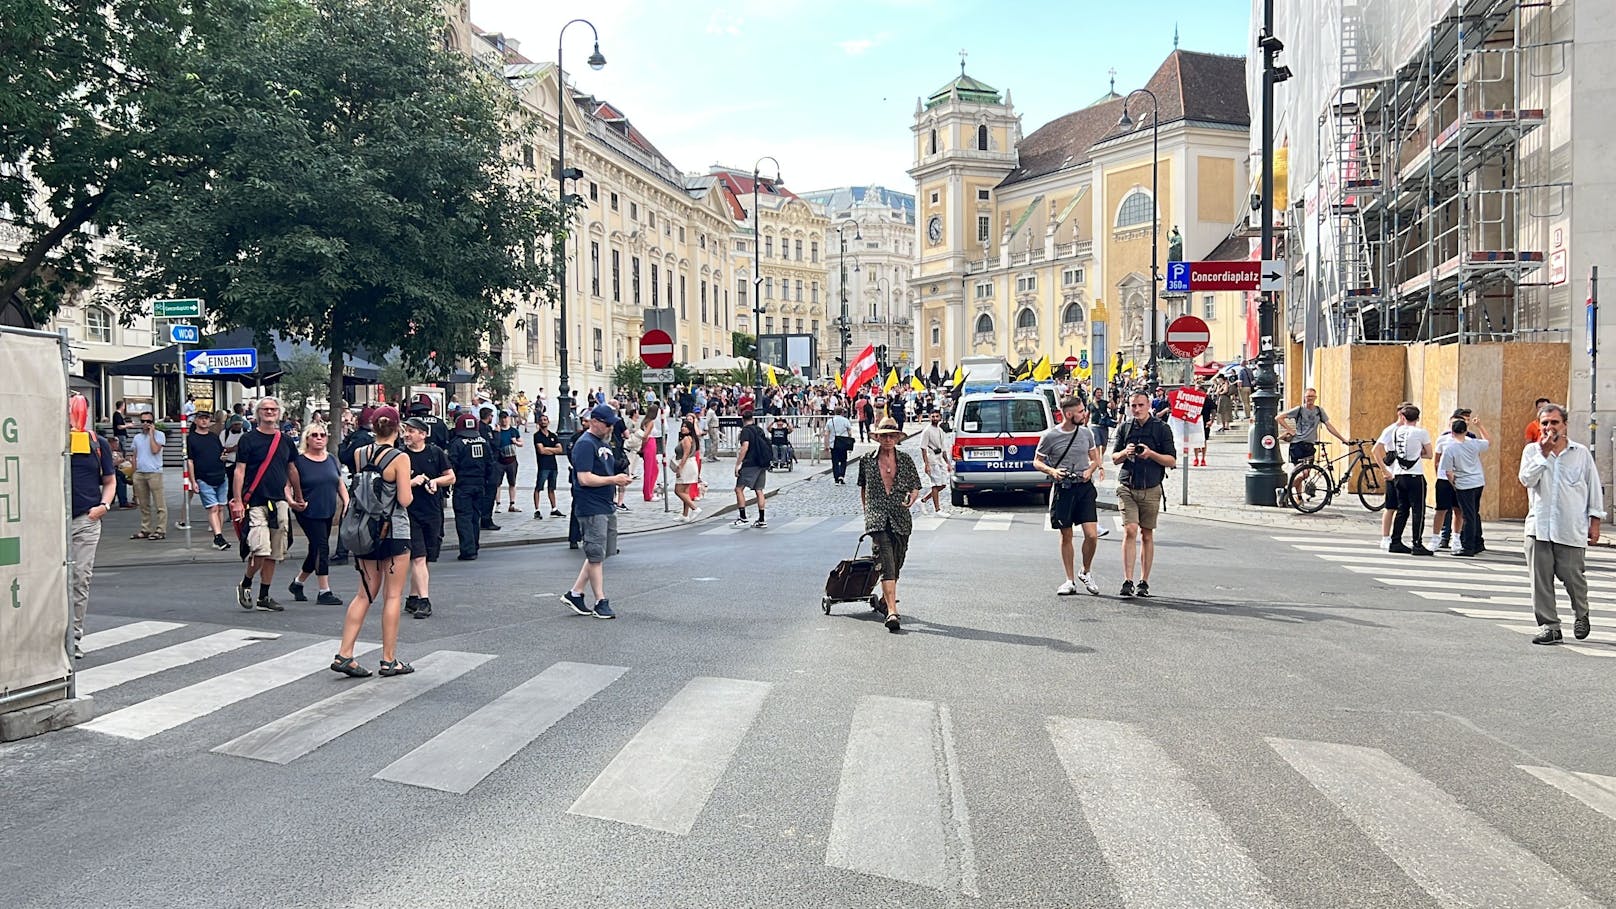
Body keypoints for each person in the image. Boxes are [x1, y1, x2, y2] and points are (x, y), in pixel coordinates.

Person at [330, 405, 416, 678]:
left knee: (364, 593)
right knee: (393, 596)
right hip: (394, 531)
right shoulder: (400, 458)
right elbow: (404, 500)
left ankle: (345, 653)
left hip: (365, 529)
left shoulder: (359, 454)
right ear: (398, 427)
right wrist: (411, 484)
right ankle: (389, 660)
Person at [1519, 403, 1605, 645]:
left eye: (1554, 422)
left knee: (1573, 577)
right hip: (1539, 527)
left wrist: (1595, 522)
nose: (1549, 427)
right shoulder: (1532, 452)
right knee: (1541, 581)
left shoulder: (1580, 454)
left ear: (1564, 425)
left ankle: (1581, 613)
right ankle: (1550, 626)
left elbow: (1593, 489)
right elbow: (1526, 479)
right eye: (1544, 423)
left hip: (1570, 527)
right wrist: (1543, 455)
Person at [231, 397, 302, 612]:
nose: (269, 412)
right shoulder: (248, 439)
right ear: (258, 413)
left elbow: (292, 469)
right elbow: (239, 470)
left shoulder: (286, 441)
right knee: (260, 548)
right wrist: (237, 501)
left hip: (278, 501)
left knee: (275, 552)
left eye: (273, 409)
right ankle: (246, 582)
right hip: (255, 501)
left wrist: (298, 496)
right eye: (265, 409)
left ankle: (264, 595)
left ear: (279, 413)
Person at [562, 404, 630, 620]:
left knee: (601, 552)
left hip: (604, 503)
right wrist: (614, 479)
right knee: (595, 554)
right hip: (591, 506)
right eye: (607, 424)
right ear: (595, 422)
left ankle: (575, 593)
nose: (611, 428)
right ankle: (600, 600)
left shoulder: (602, 442)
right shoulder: (584, 444)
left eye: (612, 424)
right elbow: (584, 478)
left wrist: (619, 477)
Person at [858, 417, 921, 632]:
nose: (887, 439)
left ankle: (886, 601)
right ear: (877, 437)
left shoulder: (905, 460)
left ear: (897, 438)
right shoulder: (866, 460)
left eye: (891, 435)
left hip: (900, 516)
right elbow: (863, 488)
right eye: (883, 435)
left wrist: (912, 498)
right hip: (877, 518)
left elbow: (915, 486)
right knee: (886, 561)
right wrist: (868, 513)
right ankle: (892, 611)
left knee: (897, 560)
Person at [1111, 391, 1176, 598]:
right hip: (1127, 486)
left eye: (1140, 405)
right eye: (1133, 405)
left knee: (1146, 534)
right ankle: (1127, 580)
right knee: (1130, 530)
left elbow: (1172, 461)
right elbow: (1114, 458)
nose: (1136, 409)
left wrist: (1150, 454)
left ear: (1149, 405)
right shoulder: (1125, 427)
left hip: (1151, 487)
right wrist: (1125, 453)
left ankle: (1143, 582)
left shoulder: (1161, 428)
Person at [1036, 397, 1101, 596]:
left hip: (1084, 487)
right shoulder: (1050, 436)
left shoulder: (1086, 433)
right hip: (1063, 489)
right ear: (1069, 414)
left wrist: (1090, 471)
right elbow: (1037, 461)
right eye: (1080, 411)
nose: (1084, 414)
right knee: (1066, 535)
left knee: (1092, 534)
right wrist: (1052, 472)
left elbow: (1095, 459)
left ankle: (1085, 571)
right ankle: (1069, 580)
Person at [67, 394, 116, 659]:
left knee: (80, 578)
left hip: (86, 519)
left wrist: (103, 506)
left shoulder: (98, 444)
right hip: (53, 520)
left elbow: (109, 480)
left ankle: (73, 637)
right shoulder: (52, 440)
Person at [288, 423, 346, 605]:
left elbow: (339, 482)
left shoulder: (331, 459)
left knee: (315, 550)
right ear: (307, 439)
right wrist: (292, 502)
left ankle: (298, 583)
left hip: (327, 508)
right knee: (322, 547)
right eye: (314, 435)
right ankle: (324, 591)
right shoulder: (299, 461)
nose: (319, 438)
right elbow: (286, 486)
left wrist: (347, 501)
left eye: (322, 435)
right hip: (307, 510)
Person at [402, 416, 454, 619]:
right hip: (410, 512)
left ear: (423, 435)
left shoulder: (435, 452)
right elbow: (393, 482)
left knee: (426, 558)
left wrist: (436, 482)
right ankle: (424, 601)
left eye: (412, 431)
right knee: (418, 556)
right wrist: (411, 482)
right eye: (406, 430)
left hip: (433, 511)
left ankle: (413, 597)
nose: (407, 434)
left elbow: (451, 476)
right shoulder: (401, 456)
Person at [1377, 404, 1434, 556]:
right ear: (1418, 418)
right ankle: (1417, 543)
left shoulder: (1396, 431)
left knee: (1402, 509)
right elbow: (1429, 453)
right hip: (1415, 475)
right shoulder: (1421, 433)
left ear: (1403, 417)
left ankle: (1395, 540)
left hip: (1399, 474)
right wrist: (1417, 453)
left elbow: (1393, 450)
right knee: (1418, 510)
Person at [1438, 416, 1491, 557]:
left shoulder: (1450, 449)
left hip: (1464, 484)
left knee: (1468, 516)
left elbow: (1448, 472)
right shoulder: (1474, 443)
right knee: (1474, 513)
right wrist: (1480, 426)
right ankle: (1478, 542)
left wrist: (1454, 484)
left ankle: (1468, 546)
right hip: (1478, 482)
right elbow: (1488, 441)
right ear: (1466, 431)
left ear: (1452, 432)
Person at [447, 413, 495, 561]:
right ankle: (474, 545)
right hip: (480, 484)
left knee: (463, 517)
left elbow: (451, 464)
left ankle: (468, 550)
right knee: (475, 516)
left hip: (463, 485)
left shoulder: (457, 443)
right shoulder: (483, 441)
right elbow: (490, 465)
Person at [186, 411, 232, 551]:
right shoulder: (191, 439)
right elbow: (190, 461)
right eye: (201, 419)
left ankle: (218, 536)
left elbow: (220, 453)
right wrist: (192, 481)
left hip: (220, 475)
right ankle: (218, 537)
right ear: (196, 421)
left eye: (207, 419)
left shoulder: (214, 437)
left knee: (220, 507)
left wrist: (223, 458)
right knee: (212, 507)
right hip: (203, 478)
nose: (204, 421)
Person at [731, 410, 773, 528]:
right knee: (759, 490)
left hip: (750, 463)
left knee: (739, 489)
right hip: (761, 463)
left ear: (742, 419)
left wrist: (738, 464)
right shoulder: (758, 429)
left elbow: (745, 447)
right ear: (752, 418)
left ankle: (743, 517)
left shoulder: (745, 431)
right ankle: (761, 519)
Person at [130, 411, 167, 540]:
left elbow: (155, 450)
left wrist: (151, 434)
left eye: (148, 421)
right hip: (140, 472)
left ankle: (161, 529)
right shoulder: (137, 438)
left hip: (154, 472)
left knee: (159, 503)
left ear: (153, 423)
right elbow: (134, 455)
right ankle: (146, 528)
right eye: (143, 421)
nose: (145, 424)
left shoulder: (160, 435)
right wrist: (133, 473)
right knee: (144, 504)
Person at [918, 409, 951, 515]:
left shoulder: (940, 430)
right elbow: (923, 448)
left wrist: (948, 463)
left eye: (937, 416)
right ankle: (937, 510)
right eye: (933, 416)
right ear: (929, 417)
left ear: (940, 417)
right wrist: (926, 464)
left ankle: (923, 500)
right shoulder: (927, 431)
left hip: (940, 459)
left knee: (943, 484)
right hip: (932, 459)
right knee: (935, 484)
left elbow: (943, 448)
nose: (935, 418)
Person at [531, 414, 564, 519]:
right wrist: (552, 450)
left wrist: (547, 450)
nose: (544, 422)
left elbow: (560, 450)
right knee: (539, 487)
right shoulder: (537, 436)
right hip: (543, 465)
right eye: (541, 420)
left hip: (553, 465)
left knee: (552, 488)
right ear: (539, 423)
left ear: (548, 422)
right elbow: (541, 450)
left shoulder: (553, 435)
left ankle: (554, 508)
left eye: (545, 420)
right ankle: (537, 509)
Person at [673, 417, 702, 521]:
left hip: (687, 465)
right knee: (685, 491)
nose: (683, 428)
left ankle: (694, 508)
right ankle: (685, 515)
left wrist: (679, 468)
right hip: (691, 464)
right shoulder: (691, 438)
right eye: (682, 426)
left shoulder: (686, 439)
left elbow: (685, 455)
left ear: (690, 429)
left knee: (678, 490)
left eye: (685, 427)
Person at [493, 412, 523, 513]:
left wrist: (516, 442)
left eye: (505, 418)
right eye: (502, 418)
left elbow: (521, 443)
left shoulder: (513, 431)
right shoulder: (497, 431)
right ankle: (498, 504)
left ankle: (512, 503)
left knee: (512, 482)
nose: (504, 420)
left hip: (511, 460)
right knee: (497, 483)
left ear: (509, 419)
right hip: (499, 460)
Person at [824, 407, 855, 484]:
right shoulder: (845, 421)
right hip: (843, 443)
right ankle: (842, 475)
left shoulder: (830, 421)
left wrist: (826, 445)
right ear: (842, 412)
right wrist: (850, 441)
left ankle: (836, 478)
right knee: (843, 460)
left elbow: (826, 434)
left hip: (833, 444)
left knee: (835, 462)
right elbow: (850, 432)